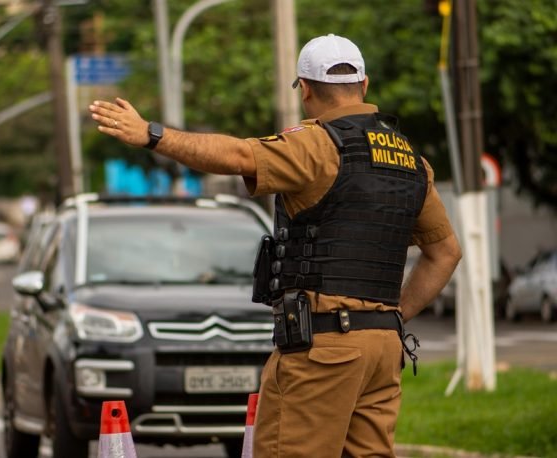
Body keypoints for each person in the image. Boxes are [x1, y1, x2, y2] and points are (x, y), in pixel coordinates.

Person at [89, 33, 461, 458]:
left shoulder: (316, 145)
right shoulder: (412, 161)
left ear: (305, 89)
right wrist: (392, 316)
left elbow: (238, 156)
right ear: (365, 84)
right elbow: (446, 252)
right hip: (382, 349)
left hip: (325, 350)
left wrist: (153, 135)